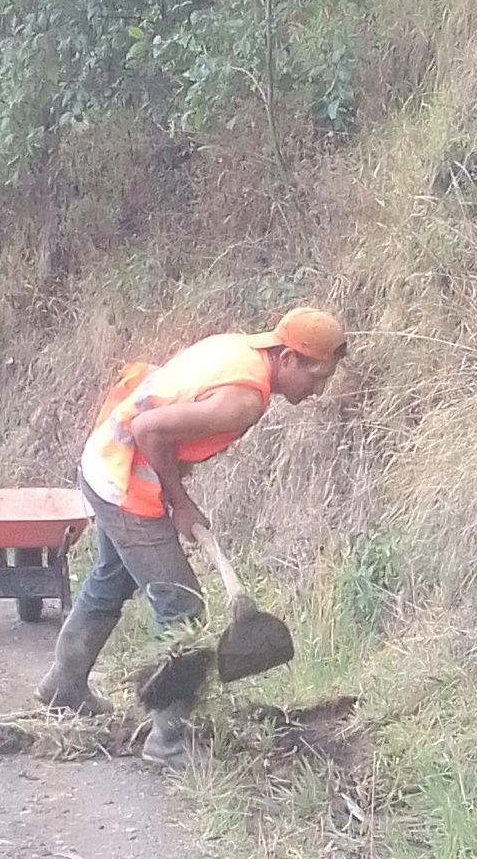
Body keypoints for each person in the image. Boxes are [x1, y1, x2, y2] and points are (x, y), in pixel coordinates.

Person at [36, 306, 347, 759]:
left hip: (105, 458)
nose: (318, 391)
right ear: (287, 358)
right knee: (181, 606)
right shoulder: (245, 399)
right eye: (316, 377)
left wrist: (173, 484)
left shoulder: (239, 349)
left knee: (113, 576)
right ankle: (169, 738)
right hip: (122, 479)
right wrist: (179, 502)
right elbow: (148, 429)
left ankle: (64, 685)